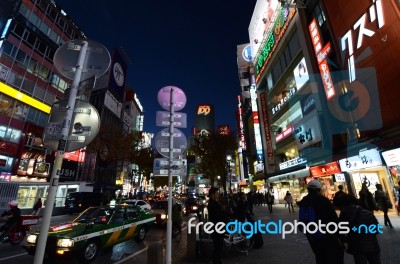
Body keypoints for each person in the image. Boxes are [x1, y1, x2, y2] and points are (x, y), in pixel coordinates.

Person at [298, 180, 344, 264]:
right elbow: (333, 219)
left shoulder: (304, 201)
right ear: (318, 189)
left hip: (312, 235)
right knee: (334, 257)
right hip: (327, 234)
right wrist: (342, 237)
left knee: (320, 256)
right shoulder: (323, 200)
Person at [338, 194, 382, 264]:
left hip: (358, 247)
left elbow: (341, 231)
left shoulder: (345, 214)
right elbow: (377, 230)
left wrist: (344, 241)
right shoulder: (368, 213)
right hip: (373, 246)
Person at [207, 187, 226, 264]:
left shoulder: (215, 203)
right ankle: (216, 261)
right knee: (218, 247)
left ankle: (217, 261)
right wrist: (222, 210)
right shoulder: (212, 204)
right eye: (216, 193)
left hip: (218, 227)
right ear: (212, 194)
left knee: (218, 247)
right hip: (216, 228)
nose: (218, 195)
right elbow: (216, 216)